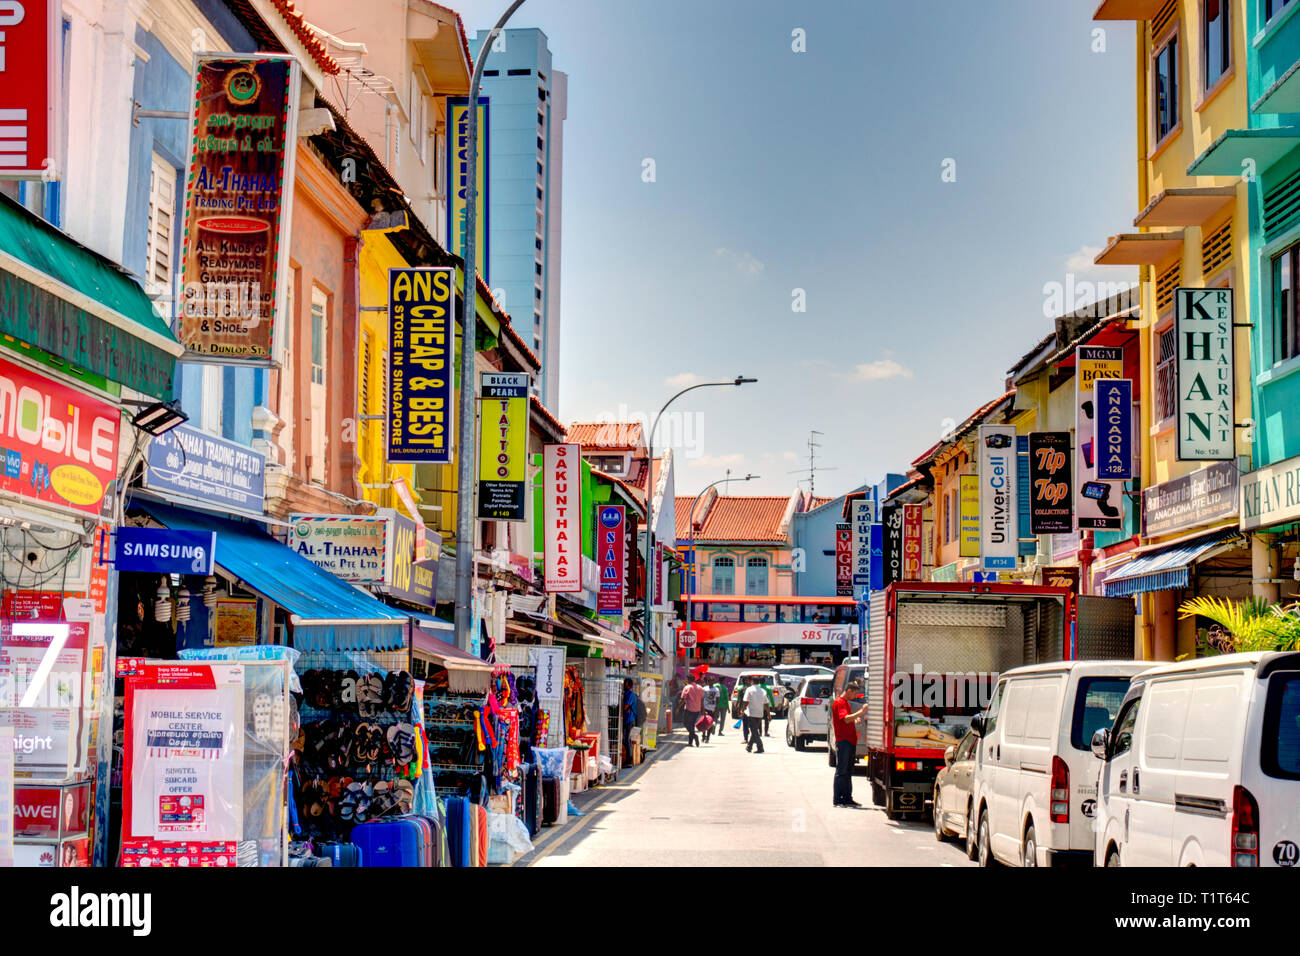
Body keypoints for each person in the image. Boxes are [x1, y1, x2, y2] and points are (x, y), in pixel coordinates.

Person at [831, 679, 869, 807]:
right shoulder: (839, 702)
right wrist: (861, 712)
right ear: (848, 691)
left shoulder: (845, 702)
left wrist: (855, 718)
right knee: (842, 770)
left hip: (850, 740)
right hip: (844, 741)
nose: (854, 697)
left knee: (847, 771)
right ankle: (838, 798)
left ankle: (847, 797)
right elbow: (845, 719)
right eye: (854, 694)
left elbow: (848, 718)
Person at [741, 677, 767, 754]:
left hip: (751, 713)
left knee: (754, 731)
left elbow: (746, 701)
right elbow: (766, 703)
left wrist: (742, 710)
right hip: (760, 713)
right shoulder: (763, 691)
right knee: (754, 730)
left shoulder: (749, 690)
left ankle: (760, 747)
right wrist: (768, 714)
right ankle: (749, 747)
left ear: (752, 681)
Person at [679, 676, 705, 748]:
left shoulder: (687, 687)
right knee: (692, 725)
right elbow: (702, 700)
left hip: (689, 709)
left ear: (689, 679)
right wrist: (703, 709)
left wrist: (677, 708)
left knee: (685, 723)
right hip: (697, 710)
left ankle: (694, 735)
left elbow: (682, 698)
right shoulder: (700, 688)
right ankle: (690, 742)